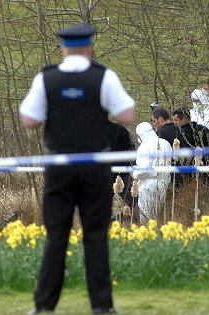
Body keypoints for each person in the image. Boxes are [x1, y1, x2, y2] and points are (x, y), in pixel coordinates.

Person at [19, 23, 135, 315]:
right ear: (90, 48)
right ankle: (102, 306)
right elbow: (126, 114)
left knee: (55, 236)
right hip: (95, 167)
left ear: (62, 48)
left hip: (59, 166)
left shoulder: (47, 78)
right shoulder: (103, 76)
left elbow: (28, 119)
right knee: (95, 236)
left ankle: (44, 305)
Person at [133, 122, 172, 224]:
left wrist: (134, 174)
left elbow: (143, 170)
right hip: (164, 182)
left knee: (146, 216)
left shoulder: (144, 146)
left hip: (148, 184)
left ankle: (148, 236)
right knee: (159, 214)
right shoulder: (166, 143)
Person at [172, 107, 209, 186]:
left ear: (184, 118)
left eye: (176, 120)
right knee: (206, 187)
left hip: (194, 167)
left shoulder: (183, 133)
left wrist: (185, 168)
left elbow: (188, 152)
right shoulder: (204, 129)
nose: (175, 123)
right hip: (208, 165)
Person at [151, 107, 187, 187]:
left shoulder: (159, 134)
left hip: (167, 172)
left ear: (160, 119)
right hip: (182, 169)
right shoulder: (181, 130)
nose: (154, 124)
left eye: (154, 121)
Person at [108, 120, 136, 206]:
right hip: (115, 170)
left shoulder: (118, 129)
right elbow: (131, 147)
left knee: (133, 198)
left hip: (120, 171)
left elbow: (130, 147)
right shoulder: (118, 128)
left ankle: (133, 217)